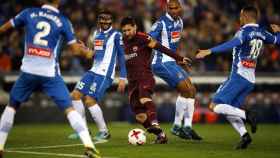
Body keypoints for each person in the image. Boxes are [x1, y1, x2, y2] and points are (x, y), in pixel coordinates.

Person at [0, 0, 101, 157]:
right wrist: (87, 53)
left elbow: (5, 28)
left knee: (11, 106)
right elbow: (75, 50)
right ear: (58, 1)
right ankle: (89, 145)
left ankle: (0, 145)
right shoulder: (63, 20)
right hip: (49, 73)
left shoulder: (28, 13)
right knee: (69, 109)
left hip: (28, 71)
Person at [196, 6, 280, 149]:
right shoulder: (262, 32)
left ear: (246, 17)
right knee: (229, 108)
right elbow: (277, 41)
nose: (239, 18)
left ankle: (247, 114)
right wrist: (278, 32)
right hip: (250, 79)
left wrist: (209, 51)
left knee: (214, 106)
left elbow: (231, 44)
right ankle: (245, 136)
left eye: (241, 16)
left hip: (238, 76)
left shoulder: (244, 32)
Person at [120, 16, 190, 144]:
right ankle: (161, 136)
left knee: (144, 97)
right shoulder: (122, 42)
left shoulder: (143, 38)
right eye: (124, 31)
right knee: (140, 116)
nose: (126, 33)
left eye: (128, 30)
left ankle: (155, 123)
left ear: (135, 27)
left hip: (144, 76)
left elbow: (160, 47)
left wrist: (178, 58)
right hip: (132, 82)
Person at [68, 9, 127, 141]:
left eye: (108, 19)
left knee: (90, 100)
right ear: (99, 20)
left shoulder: (116, 35)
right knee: (75, 95)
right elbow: (92, 54)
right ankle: (82, 130)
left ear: (111, 20)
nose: (105, 21)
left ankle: (104, 132)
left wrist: (122, 77)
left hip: (105, 73)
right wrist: (85, 50)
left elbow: (122, 56)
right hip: (93, 70)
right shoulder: (95, 33)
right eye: (102, 18)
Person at [149, 0, 202, 140]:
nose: (173, 10)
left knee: (192, 90)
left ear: (180, 8)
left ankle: (188, 127)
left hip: (172, 61)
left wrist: (178, 59)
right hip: (161, 62)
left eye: (176, 8)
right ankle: (177, 127)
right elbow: (148, 40)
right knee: (185, 90)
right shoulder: (160, 23)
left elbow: (173, 45)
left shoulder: (180, 22)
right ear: (167, 8)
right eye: (170, 8)